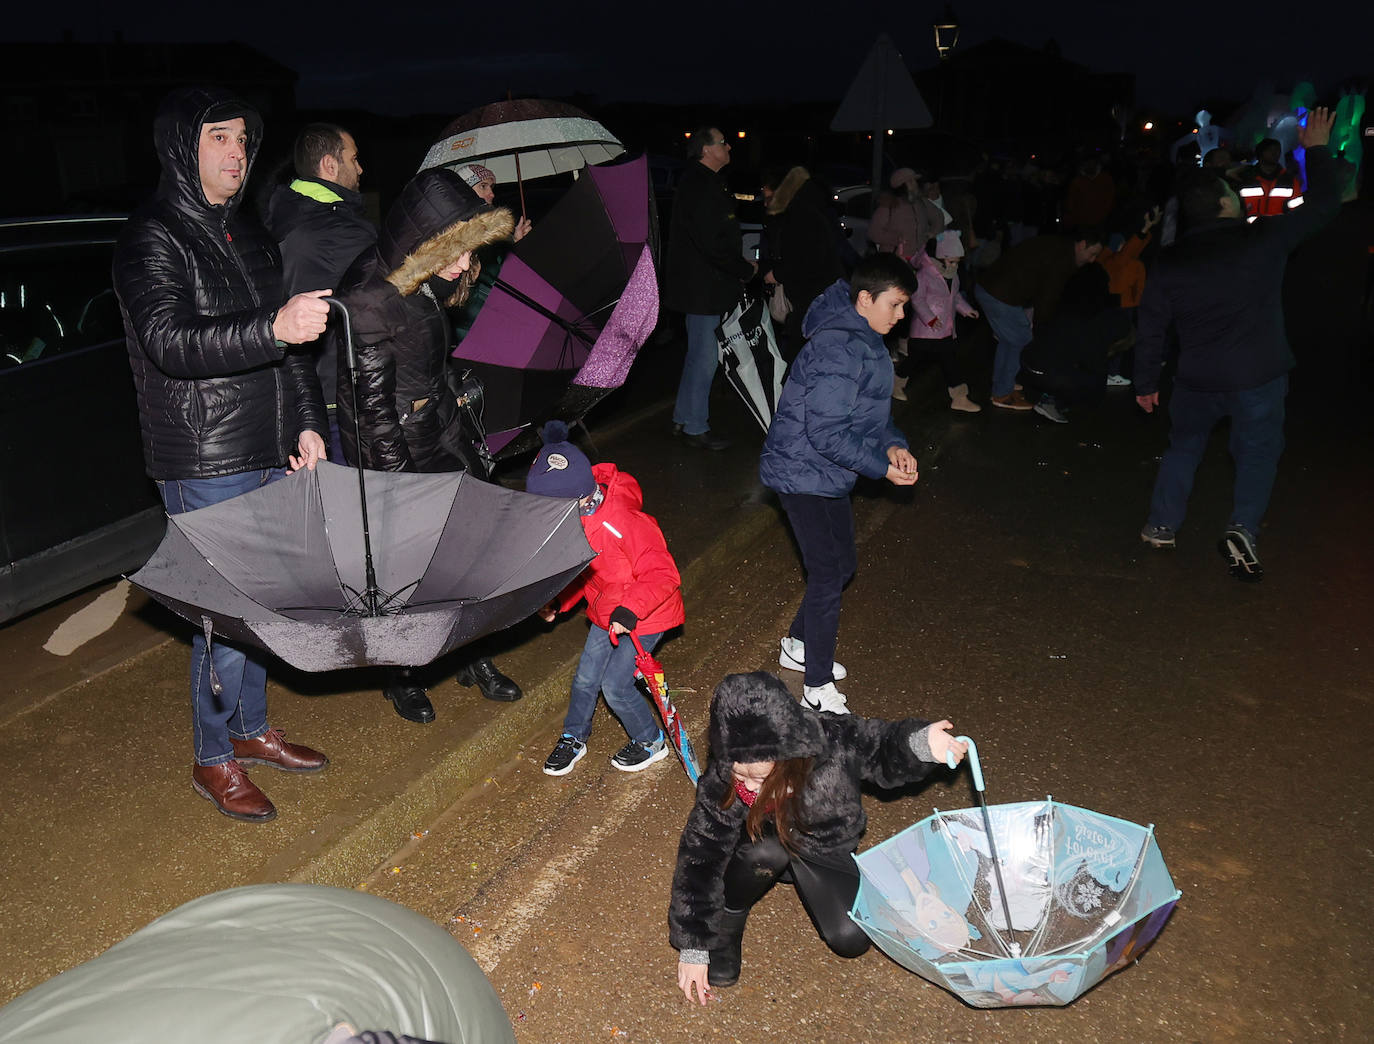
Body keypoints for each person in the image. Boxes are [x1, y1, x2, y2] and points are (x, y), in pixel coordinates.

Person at [113, 86, 331, 822]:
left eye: (243, 138)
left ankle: (250, 729)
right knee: (224, 614)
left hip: (268, 445)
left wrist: (305, 421)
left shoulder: (251, 233)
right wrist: (273, 326)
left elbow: (292, 344)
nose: (237, 152)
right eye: (219, 138)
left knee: (264, 606)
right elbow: (171, 344)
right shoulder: (154, 237)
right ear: (184, 147)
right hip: (205, 457)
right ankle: (214, 759)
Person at [334, 167, 523, 720]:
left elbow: (424, 358)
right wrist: (397, 486)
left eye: (470, 250)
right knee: (403, 567)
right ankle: (404, 674)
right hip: (391, 446)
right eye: (456, 251)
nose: (466, 264)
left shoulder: (431, 278)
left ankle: (472, 654)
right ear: (424, 244)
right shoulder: (371, 297)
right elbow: (372, 410)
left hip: (437, 426)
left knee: (467, 550)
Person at [669, 671, 968, 1003]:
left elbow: (881, 745)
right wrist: (694, 946)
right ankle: (732, 915)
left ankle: (800, 872)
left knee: (850, 937)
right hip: (759, 846)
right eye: (741, 774)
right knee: (765, 854)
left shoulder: (831, 739)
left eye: (761, 778)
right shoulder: (723, 775)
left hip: (821, 849)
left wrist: (922, 744)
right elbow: (700, 854)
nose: (750, 787)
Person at [1134, 108, 1343, 581]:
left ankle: (1162, 524)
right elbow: (1325, 203)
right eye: (1232, 191)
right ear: (1226, 205)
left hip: (1196, 378)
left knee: (1184, 447)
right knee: (1258, 452)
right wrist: (1317, 150)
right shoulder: (1263, 240)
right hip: (1257, 374)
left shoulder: (1170, 262)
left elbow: (1151, 327)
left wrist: (1146, 380)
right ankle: (1243, 527)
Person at [759, 254, 920, 715]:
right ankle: (816, 686)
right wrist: (879, 466)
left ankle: (797, 644)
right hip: (800, 470)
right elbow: (826, 431)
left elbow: (874, 413)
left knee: (842, 564)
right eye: (896, 304)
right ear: (865, 299)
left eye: (905, 305)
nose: (901, 315)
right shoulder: (839, 347)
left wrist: (892, 446)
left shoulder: (866, 337)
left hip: (826, 471)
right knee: (828, 573)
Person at [525, 421, 686, 775]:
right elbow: (587, 574)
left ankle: (650, 740)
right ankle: (573, 736)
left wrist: (630, 610)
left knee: (616, 685)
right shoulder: (574, 522)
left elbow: (664, 574)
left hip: (645, 613)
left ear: (580, 497)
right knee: (585, 678)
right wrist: (559, 602)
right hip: (607, 611)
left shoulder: (625, 520)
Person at [264, 122, 376, 462]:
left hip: (302, 396)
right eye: (354, 158)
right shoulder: (340, 230)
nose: (361, 168)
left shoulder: (283, 215)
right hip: (341, 398)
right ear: (329, 165)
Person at [663, 126, 757, 451]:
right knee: (705, 358)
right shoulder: (700, 185)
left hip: (703, 286)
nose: (728, 146)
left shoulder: (703, 182)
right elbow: (711, 244)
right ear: (706, 150)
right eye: (722, 142)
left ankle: (684, 417)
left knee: (698, 355)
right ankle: (695, 427)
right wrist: (745, 269)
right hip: (704, 288)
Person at [974, 226, 1104, 410]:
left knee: (1011, 339)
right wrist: (1042, 325)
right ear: (1082, 245)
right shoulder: (1063, 258)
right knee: (1020, 338)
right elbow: (1048, 296)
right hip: (999, 294)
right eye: (1092, 254)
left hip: (995, 289)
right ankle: (1002, 393)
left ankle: (1004, 384)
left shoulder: (1059, 246)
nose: (1092, 260)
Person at [760, 166, 845, 362]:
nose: (765, 200)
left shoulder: (800, 214)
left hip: (812, 297)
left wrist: (777, 274)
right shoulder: (808, 208)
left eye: (768, 193)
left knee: (800, 354)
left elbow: (803, 258)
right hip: (821, 294)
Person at [895, 230, 982, 412]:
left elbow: (955, 297)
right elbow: (917, 300)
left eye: (957, 262)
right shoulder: (924, 275)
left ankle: (959, 397)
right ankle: (895, 383)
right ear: (941, 257)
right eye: (952, 261)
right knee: (914, 360)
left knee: (949, 361)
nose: (954, 265)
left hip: (945, 329)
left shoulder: (953, 274)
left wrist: (967, 310)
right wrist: (930, 319)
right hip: (925, 331)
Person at [455, 164, 532, 241]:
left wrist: (516, 240)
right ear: (466, 191)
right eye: (483, 186)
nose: (492, 194)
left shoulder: (492, 222)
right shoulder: (460, 228)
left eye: (491, 187)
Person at [1234, 138, 1304, 220]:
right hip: (1250, 230)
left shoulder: (1290, 181)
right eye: (1270, 150)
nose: (1275, 153)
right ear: (1260, 153)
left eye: (1278, 150)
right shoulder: (1245, 178)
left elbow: (1297, 211)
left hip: (1279, 230)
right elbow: (1236, 209)